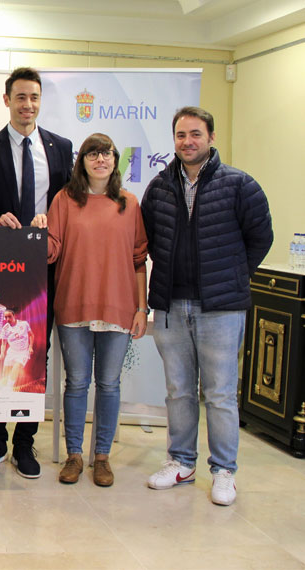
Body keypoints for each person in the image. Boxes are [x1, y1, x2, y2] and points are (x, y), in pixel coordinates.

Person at [142, 107, 272, 506]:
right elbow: (146, 238)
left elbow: (261, 238)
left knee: (218, 394)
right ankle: (181, 462)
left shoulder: (239, 185)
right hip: (170, 304)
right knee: (178, 391)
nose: (187, 142)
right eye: (181, 135)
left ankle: (224, 470)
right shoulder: (159, 187)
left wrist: (232, 278)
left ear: (211, 137)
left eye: (195, 134)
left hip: (221, 309)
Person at [0, 66, 73, 477]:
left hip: (45, 268)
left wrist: (51, 219)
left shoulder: (61, 147)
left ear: (40, 101)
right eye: (20, 97)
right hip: (1, 267)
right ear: (7, 100)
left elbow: (69, 202)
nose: (27, 105)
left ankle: (25, 443)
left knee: (34, 354)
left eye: (34, 97)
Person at [30, 133, 148, 487]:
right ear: (81, 161)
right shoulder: (65, 200)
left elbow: (139, 259)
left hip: (119, 306)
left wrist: (141, 308)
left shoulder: (129, 203)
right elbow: (50, 252)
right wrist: (38, 233)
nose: (101, 159)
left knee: (109, 385)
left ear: (115, 160)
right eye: (93, 153)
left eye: (107, 153)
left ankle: (102, 457)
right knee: (77, 384)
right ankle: (75, 455)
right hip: (74, 304)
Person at [0, 310, 34, 390]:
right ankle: (2, 389)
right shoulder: (5, 329)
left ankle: (9, 388)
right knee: (5, 373)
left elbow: (31, 335)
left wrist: (30, 346)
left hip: (23, 352)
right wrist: (2, 353)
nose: (7, 319)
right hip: (12, 352)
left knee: (16, 367)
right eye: (6, 317)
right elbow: (3, 343)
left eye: (9, 316)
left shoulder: (24, 324)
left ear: (14, 316)